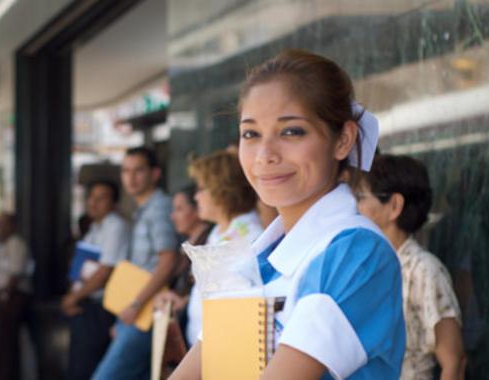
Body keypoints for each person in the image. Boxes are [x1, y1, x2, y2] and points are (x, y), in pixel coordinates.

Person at [171, 49, 405, 379]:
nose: (265, 155)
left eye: (292, 131)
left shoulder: (356, 254)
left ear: (343, 140)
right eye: (251, 134)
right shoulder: (256, 260)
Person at [356, 154, 465, 379]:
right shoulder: (366, 265)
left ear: (394, 206)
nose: (356, 207)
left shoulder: (424, 269)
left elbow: (454, 361)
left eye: (361, 197)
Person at [156, 150, 264, 346]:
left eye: (201, 188)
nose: (196, 197)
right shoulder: (218, 232)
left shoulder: (249, 238)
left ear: (222, 190)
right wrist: (185, 301)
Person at [92, 146, 179, 380]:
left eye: (138, 170)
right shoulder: (143, 209)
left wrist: (135, 304)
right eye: (125, 171)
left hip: (147, 311)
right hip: (136, 312)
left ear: (155, 174)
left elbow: (168, 260)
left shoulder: (159, 207)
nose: (130, 178)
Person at [61, 180, 130, 380]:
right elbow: (82, 269)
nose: (94, 203)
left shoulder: (115, 225)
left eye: (101, 198)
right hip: (85, 303)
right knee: (77, 366)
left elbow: (104, 272)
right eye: (91, 197)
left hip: (101, 306)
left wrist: (72, 298)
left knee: (87, 367)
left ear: (114, 202)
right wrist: (72, 297)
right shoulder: (95, 228)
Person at [0, 212, 33, 380]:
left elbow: (15, 274)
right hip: (2, 296)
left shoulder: (16, 244)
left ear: (13, 226)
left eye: (3, 224)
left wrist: (5, 295)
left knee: (6, 342)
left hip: (11, 297)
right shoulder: (2, 246)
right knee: (0, 341)